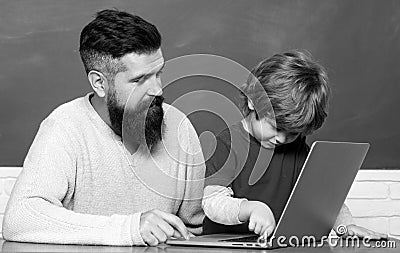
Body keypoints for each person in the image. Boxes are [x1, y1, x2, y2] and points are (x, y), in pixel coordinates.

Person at [3, 9, 205, 246]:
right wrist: (128, 229)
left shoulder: (180, 127)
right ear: (99, 83)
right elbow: (20, 218)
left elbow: (195, 229)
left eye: (158, 74)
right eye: (139, 80)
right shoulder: (64, 127)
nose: (157, 90)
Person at [201, 50, 387, 240]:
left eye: (292, 132)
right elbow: (212, 202)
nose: (282, 139)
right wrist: (250, 209)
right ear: (252, 101)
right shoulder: (226, 143)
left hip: (276, 244)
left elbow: (322, 197)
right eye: (275, 127)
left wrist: (346, 226)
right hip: (224, 244)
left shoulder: (297, 147)